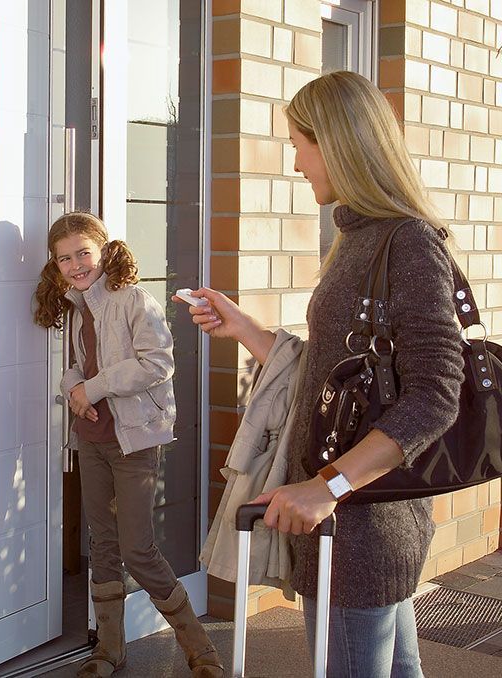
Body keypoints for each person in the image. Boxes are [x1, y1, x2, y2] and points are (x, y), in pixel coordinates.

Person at [176, 71, 463, 677]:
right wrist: (247, 331)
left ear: (336, 142)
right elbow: (337, 370)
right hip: (357, 526)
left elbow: (437, 393)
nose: (298, 160)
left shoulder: (406, 242)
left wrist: (326, 487)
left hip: (359, 530)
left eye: (300, 141)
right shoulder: (359, 238)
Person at [34, 212, 224, 678]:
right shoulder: (77, 307)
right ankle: (109, 650)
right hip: (92, 439)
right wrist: (74, 390)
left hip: (134, 440)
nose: (76, 264)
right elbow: (78, 367)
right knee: (102, 544)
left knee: (137, 549)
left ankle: (202, 652)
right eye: (65, 259)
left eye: (83, 252)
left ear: (103, 250)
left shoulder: (134, 300)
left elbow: (157, 363)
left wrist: (92, 389)